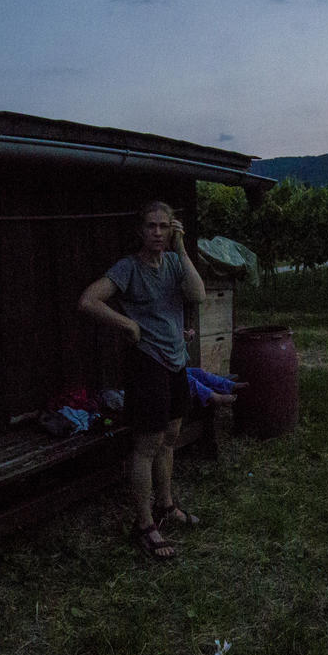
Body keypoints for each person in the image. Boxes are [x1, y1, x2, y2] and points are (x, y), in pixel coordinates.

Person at [78, 201, 207, 558]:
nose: (158, 233)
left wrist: (181, 249)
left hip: (176, 362)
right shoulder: (128, 268)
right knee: (147, 445)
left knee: (170, 438)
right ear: (140, 230)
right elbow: (89, 300)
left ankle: (166, 506)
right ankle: (144, 524)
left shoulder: (174, 263)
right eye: (151, 226)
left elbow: (198, 294)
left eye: (165, 227)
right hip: (147, 362)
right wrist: (127, 324)